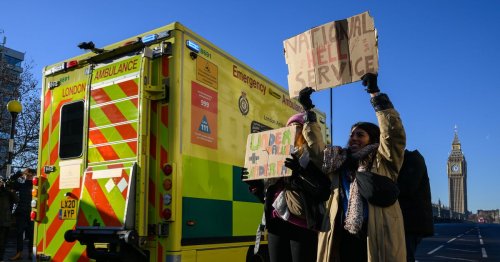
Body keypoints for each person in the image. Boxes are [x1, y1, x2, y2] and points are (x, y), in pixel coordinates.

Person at [316, 73, 407, 262]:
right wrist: (309, 114)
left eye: (360, 135)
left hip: (374, 233)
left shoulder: (384, 160)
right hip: (344, 234)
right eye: (352, 135)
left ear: (372, 139)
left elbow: (393, 134)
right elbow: (315, 150)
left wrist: (375, 95)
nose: (354, 138)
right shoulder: (338, 162)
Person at [242, 95, 330, 262]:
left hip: (301, 226)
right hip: (276, 226)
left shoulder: (312, 159)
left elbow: (322, 191)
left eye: (297, 127)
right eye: (288, 127)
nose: (292, 131)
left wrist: (298, 173)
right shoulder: (274, 159)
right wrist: (254, 185)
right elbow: (267, 198)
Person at [397, 149, 434, 262]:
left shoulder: (413, 159)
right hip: (400, 221)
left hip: (410, 224)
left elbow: (406, 189)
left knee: (404, 257)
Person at [9, 168, 35, 261]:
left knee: (32, 233)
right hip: (21, 212)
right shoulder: (22, 185)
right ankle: (19, 253)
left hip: (32, 213)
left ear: (32, 174)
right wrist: (20, 173)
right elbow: (11, 180)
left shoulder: (36, 185)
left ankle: (31, 253)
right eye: (26, 173)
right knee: (19, 233)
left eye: (29, 173)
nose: (27, 175)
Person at [0, 177, 18, 262]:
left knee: (2, 242)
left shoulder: (7, 192)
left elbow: (16, 200)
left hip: (5, 221)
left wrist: (10, 189)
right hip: (4, 220)